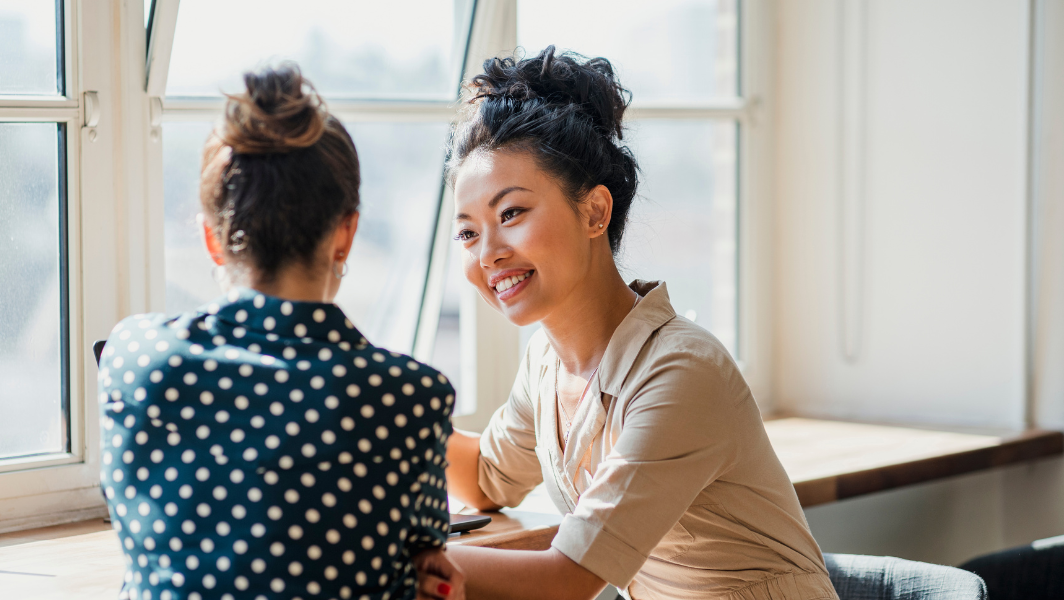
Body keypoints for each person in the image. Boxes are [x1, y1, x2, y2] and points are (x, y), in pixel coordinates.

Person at [441, 47, 839, 600]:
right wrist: (369, 396)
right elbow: (487, 477)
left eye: (511, 214)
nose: (488, 253)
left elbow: (567, 578)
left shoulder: (680, 372)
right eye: (467, 232)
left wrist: (396, 560)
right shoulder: (546, 365)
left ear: (594, 212)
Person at [97, 64, 464, 600]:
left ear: (212, 239)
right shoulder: (410, 397)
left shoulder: (133, 356)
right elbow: (427, 559)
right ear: (345, 234)